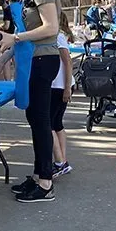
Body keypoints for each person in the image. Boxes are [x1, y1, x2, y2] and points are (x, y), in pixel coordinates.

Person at [0, 0, 63, 203]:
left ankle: (45, 182)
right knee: (36, 119)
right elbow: (22, 37)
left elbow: (50, 27)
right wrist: (5, 58)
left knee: (41, 121)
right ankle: (39, 175)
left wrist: (15, 37)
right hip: (36, 59)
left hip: (43, 60)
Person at [51, 13, 74, 178]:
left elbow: (68, 61)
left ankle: (60, 161)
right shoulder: (59, 36)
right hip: (59, 84)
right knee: (57, 124)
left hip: (58, 85)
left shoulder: (57, 37)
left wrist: (67, 87)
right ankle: (62, 160)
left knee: (49, 124)